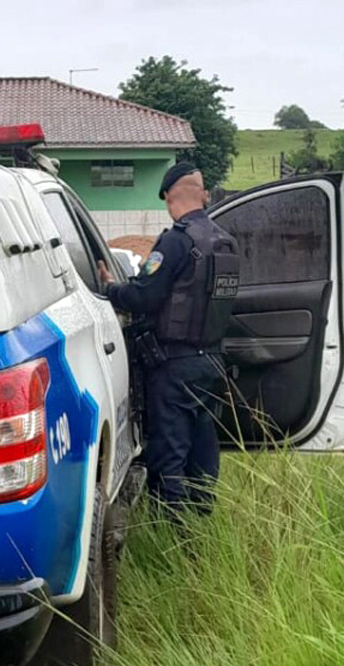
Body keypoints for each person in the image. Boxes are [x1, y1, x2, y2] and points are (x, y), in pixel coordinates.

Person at [97, 162, 240, 514]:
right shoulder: (225, 242)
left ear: (167, 197)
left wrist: (110, 288)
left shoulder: (176, 242)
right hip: (213, 364)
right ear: (203, 194)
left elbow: (144, 297)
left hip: (175, 367)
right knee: (203, 452)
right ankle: (200, 527)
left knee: (170, 455)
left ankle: (172, 537)